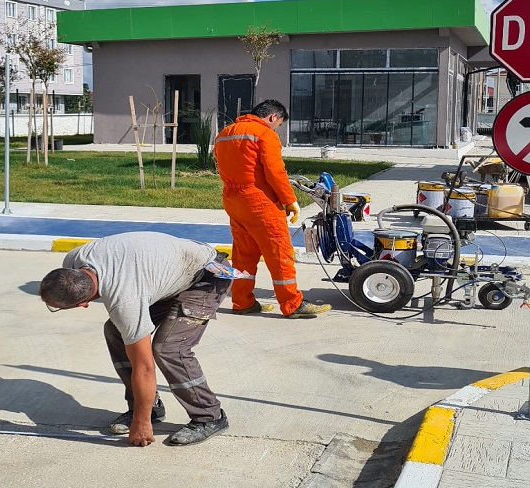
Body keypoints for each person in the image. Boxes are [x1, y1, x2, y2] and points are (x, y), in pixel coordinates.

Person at [39, 232, 231, 447]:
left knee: (168, 348)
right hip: (166, 278)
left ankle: (209, 416)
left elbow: (145, 367)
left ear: (82, 304)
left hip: (206, 274)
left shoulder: (125, 300)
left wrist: (142, 422)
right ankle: (150, 406)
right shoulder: (75, 260)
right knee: (116, 332)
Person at [214, 99, 331, 319]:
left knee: (243, 255)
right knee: (280, 253)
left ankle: (242, 301)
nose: (277, 129)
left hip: (233, 201)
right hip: (260, 202)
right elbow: (275, 172)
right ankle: (292, 305)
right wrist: (289, 200)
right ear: (273, 117)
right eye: (278, 125)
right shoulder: (264, 134)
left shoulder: (225, 134)